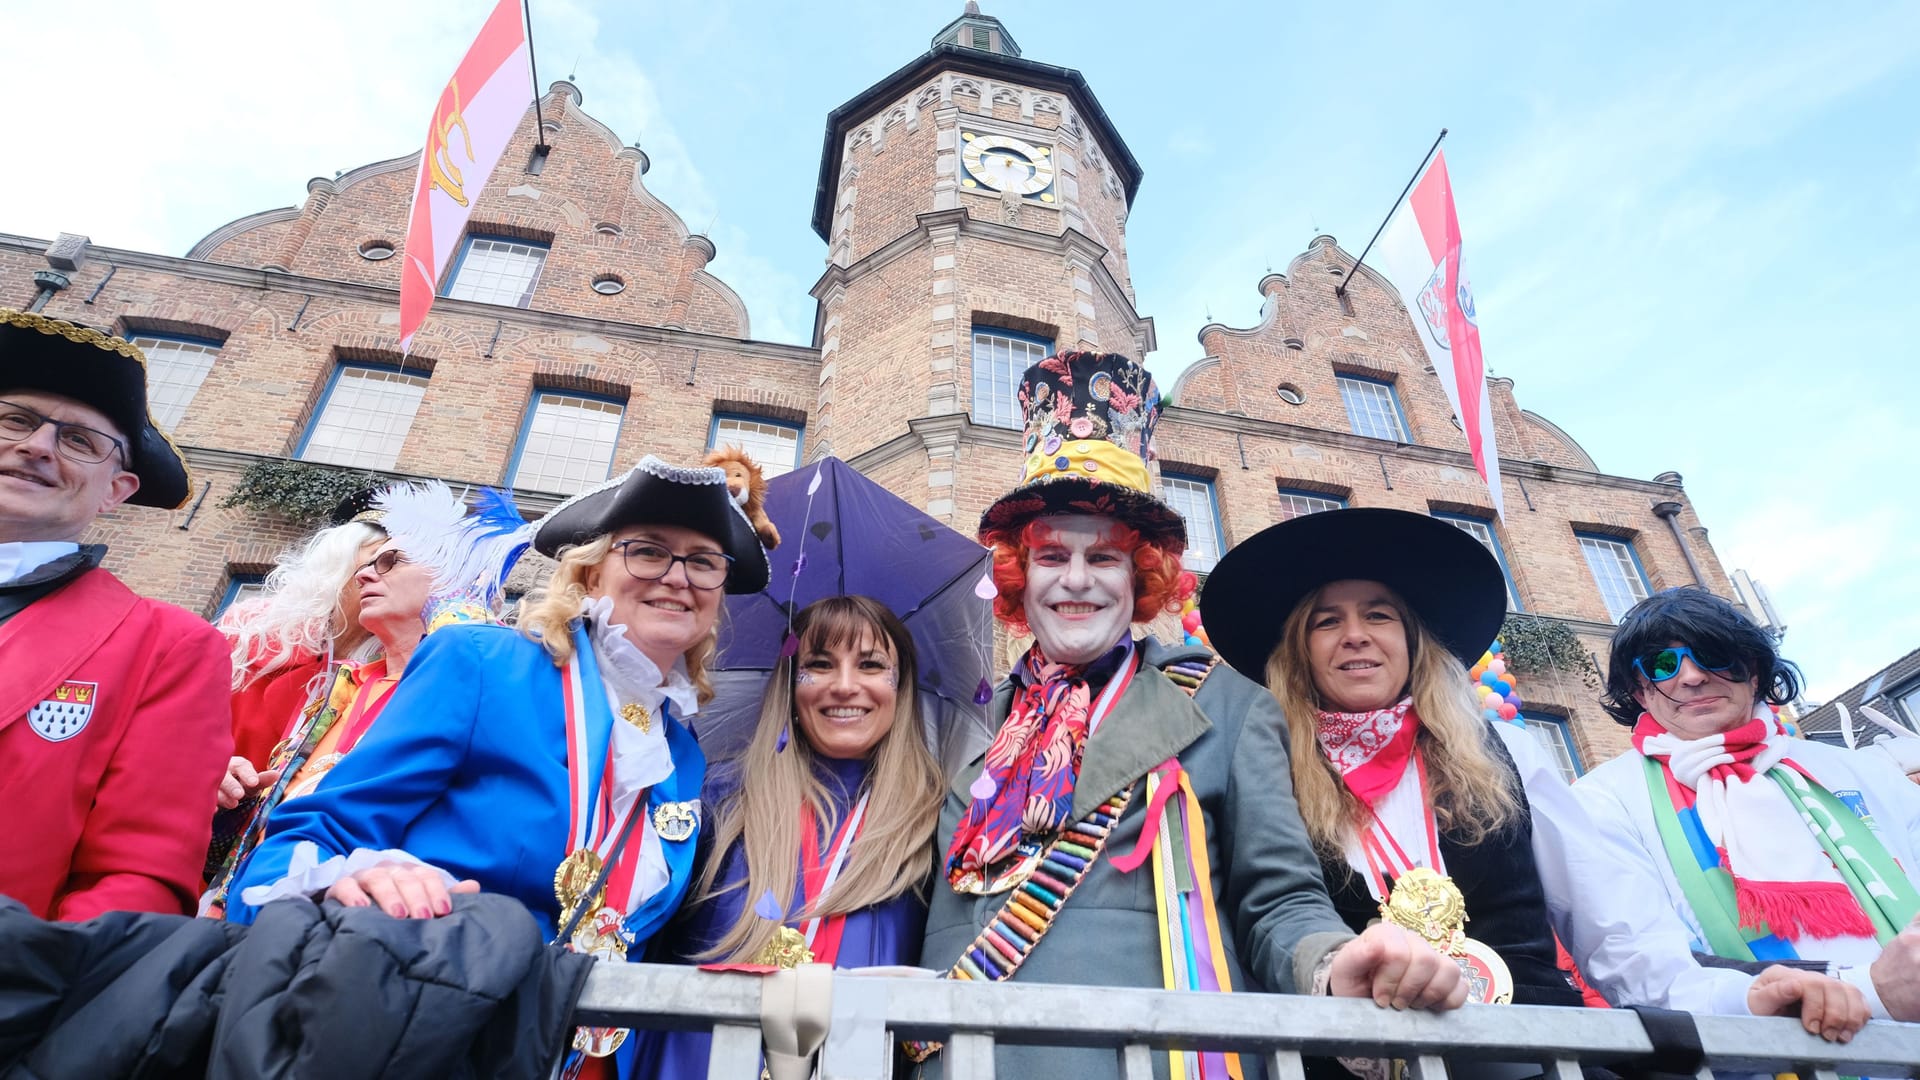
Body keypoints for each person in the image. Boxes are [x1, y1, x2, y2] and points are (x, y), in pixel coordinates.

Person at [914, 353, 1463, 1080]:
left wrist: (1333, 967)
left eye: (1104, 559)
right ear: (1022, 573)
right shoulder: (966, 723)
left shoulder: (1230, 706)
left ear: (1139, 577)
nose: (1075, 581)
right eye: (1051, 555)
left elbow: (1279, 901)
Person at [1202, 509, 1868, 1047]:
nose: (1355, 635)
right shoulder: (1267, 767)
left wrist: (1742, 994)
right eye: (1327, 621)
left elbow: (1619, 934)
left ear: (1413, 640)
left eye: (1378, 615)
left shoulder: (1510, 751)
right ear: (1301, 652)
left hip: (1532, 1053)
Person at [229, 455, 768, 1078]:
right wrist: (354, 878)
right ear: (591, 572)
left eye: (703, 561)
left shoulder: (682, 751)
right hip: (436, 1042)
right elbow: (305, 839)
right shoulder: (484, 662)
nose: (678, 577)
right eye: (648, 551)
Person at [1576, 588, 1920, 1022]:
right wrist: (1869, 991)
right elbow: (1638, 968)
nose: (1691, 676)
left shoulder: (1861, 774)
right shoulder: (1604, 801)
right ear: (1641, 692)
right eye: (1662, 664)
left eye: (1712, 654)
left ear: (1754, 671)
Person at [639, 595, 943, 1079]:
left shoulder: (937, 824)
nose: (845, 686)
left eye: (870, 665)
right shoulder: (715, 799)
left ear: (900, 686)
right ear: (790, 684)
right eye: (818, 665)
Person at [201, 481, 529, 914]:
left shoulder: (497, 686)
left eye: (391, 561)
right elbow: (271, 826)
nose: (364, 574)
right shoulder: (343, 687)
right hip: (252, 918)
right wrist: (237, 797)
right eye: (368, 563)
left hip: (386, 925)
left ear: (454, 573)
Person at [0, 308, 231, 919]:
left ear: (116, 491)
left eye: (79, 440)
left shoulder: (168, 646)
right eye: (13, 419)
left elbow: (135, 881)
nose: (36, 446)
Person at [216, 491, 386, 801]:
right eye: (380, 559)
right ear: (339, 565)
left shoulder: (400, 669)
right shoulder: (251, 634)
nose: (387, 575)